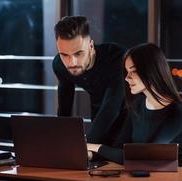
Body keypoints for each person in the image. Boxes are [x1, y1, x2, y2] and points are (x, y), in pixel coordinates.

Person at [87, 43, 182, 181]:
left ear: (151, 71)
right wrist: (91, 154)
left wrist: (96, 147)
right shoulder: (137, 105)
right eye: (127, 72)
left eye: (133, 71)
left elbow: (146, 157)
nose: (127, 78)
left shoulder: (177, 111)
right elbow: (119, 147)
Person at [53, 16, 127, 145]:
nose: (72, 62)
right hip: (99, 110)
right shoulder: (59, 64)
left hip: (132, 116)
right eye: (64, 55)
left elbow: (111, 108)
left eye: (78, 53)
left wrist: (85, 147)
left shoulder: (117, 58)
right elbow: (64, 107)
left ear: (91, 46)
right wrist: (59, 142)